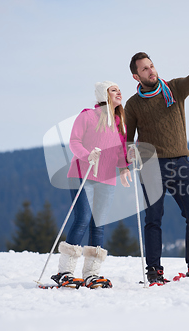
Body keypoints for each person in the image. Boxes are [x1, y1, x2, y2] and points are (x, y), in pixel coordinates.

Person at [124, 48, 189, 285]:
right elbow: (128, 138)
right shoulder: (133, 104)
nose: (150, 71)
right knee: (154, 217)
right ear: (136, 77)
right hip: (150, 166)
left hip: (180, 162)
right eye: (144, 69)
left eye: (151, 65)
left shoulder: (175, 89)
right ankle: (154, 270)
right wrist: (126, 162)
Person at [51, 81, 132, 289]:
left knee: (99, 224)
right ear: (103, 94)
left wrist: (125, 168)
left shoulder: (119, 121)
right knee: (83, 219)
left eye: (119, 90)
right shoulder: (87, 116)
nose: (119, 92)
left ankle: (91, 274)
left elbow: (122, 150)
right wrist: (88, 156)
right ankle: (65, 272)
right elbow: (74, 142)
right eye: (114, 90)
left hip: (107, 178)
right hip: (82, 174)